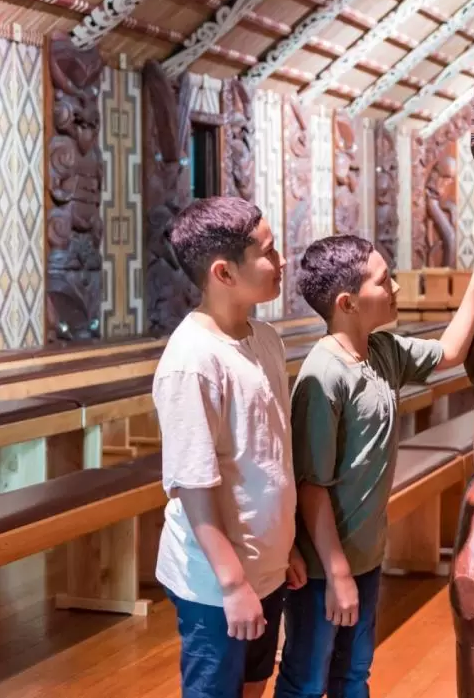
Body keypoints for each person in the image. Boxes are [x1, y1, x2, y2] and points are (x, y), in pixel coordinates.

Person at [276, 235, 474, 698]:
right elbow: (311, 487)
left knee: (353, 675)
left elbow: (450, 352)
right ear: (348, 302)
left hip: (366, 554)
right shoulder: (323, 376)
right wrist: (336, 574)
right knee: (307, 680)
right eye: (382, 279)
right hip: (322, 565)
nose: (395, 285)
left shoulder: (381, 351)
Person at [151, 196, 308, 698]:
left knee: (254, 683)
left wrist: (285, 546)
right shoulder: (192, 361)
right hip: (216, 584)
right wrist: (234, 583)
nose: (280, 261)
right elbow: (194, 486)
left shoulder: (264, 337)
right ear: (224, 272)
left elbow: (269, 454)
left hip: (266, 563)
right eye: (267, 251)